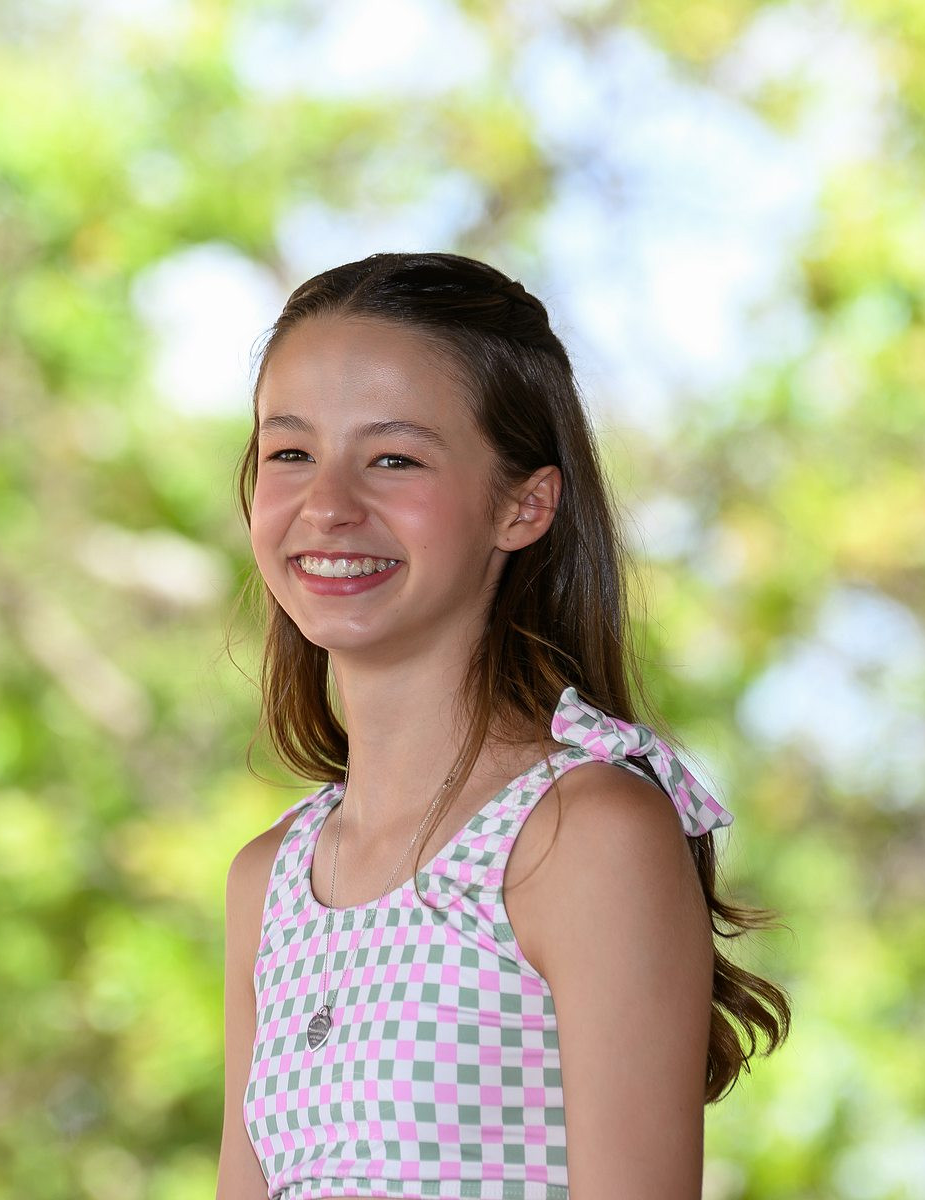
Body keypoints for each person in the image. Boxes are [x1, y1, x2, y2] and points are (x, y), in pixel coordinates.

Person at [216, 252, 790, 1200]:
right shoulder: (267, 879)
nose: (328, 505)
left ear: (523, 504)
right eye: (290, 453)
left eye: (393, 459)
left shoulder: (584, 834)